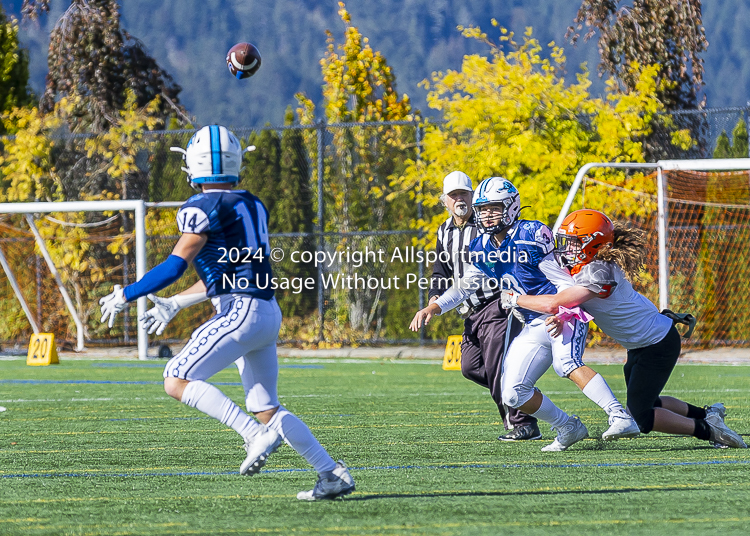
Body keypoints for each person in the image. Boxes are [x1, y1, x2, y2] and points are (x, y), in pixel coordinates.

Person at [98, 125, 356, 500]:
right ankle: (331, 472)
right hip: (265, 312)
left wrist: (128, 292)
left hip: (241, 310)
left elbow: (174, 266)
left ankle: (253, 436)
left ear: (193, 165)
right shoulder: (251, 204)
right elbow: (224, 275)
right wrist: (175, 302)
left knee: (175, 377)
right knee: (264, 406)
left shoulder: (202, 207)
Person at [411, 177, 639, 452]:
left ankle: (619, 415)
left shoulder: (531, 234)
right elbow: (466, 286)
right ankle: (568, 426)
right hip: (531, 322)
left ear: (511, 206)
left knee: (565, 363)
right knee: (512, 393)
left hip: (560, 314)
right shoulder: (483, 245)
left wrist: (563, 313)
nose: (487, 214)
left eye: (494, 208)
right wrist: (435, 306)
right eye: (483, 209)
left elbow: (564, 282)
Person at [501, 209, 746, 449]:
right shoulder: (585, 266)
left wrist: (515, 299)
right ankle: (707, 414)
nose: (567, 248)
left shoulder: (599, 269)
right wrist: (562, 317)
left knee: (642, 418)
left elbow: (555, 302)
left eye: (574, 242)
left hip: (657, 343)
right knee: (644, 401)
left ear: (593, 244)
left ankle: (711, 431)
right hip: (642, 343)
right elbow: (570, 305)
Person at [429, 171, 541, 441]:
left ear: (472, 195)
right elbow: (440, 270)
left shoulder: (486, 226)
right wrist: (435, 297)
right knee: (470, 366)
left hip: (496, 305)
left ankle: (523, 422)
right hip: (469, 311)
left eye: (464, 194)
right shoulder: (444, 231)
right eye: (453, 195)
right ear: (444, 200)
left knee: (495, 366)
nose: (459, 199)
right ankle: (522, 392)